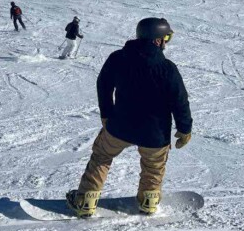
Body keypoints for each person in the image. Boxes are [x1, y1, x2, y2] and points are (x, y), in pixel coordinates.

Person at [66, 17, 192, 218]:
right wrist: (184, 128)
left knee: (101, 156)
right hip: (155, 133)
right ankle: (149, 201)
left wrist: (106, 113)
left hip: (120, 126)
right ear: (157, 40)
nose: (167, 42)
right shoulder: (167, 68)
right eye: (166, 37)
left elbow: (104, 85)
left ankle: (86, 201)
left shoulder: (118, 58)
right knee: (154, 166)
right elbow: (180, 101)